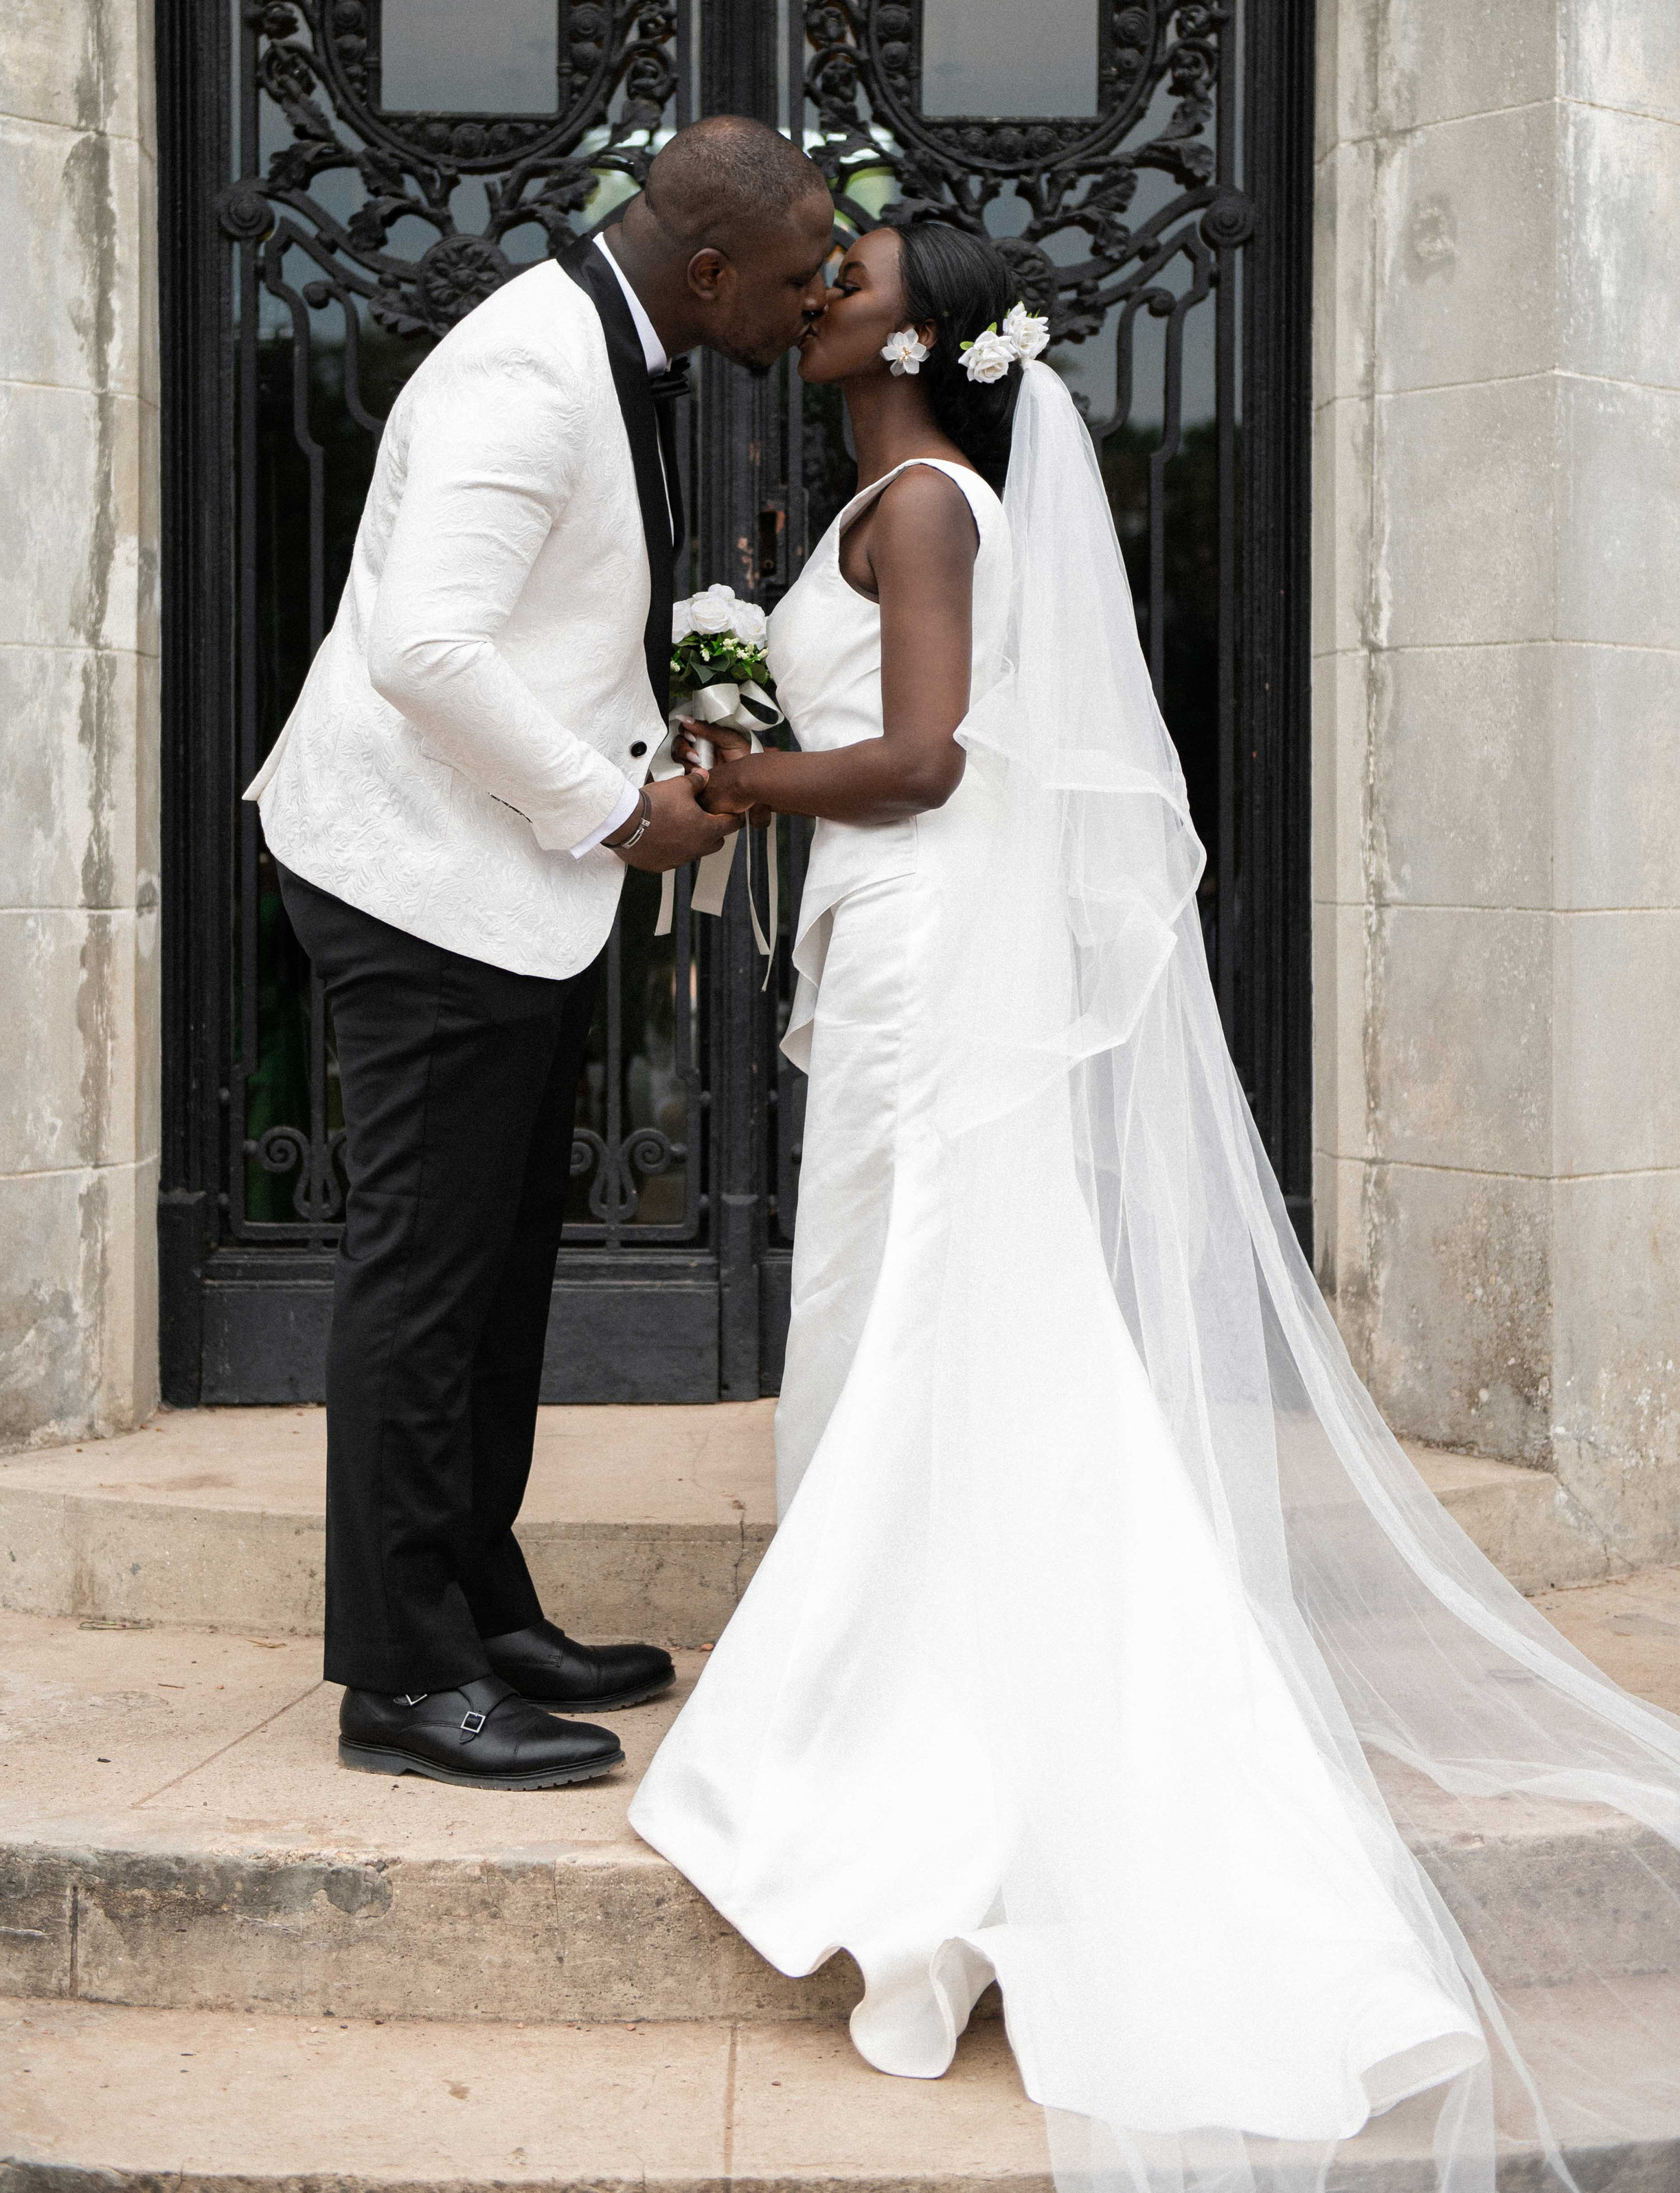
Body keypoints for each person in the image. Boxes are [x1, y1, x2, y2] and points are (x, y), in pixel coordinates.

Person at [631, 219, 1680, 2190]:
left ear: (920, 330)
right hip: (909, 961)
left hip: (933, 964)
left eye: (849, 272)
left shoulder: (924, 508)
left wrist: (745, 789)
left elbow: (933, 761)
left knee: (915, 1313)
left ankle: (891, 1741)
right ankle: (911, 1671)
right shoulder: (907, 497)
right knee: (921, 1323)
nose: (818, 293)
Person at [245, 116, 835, 1790]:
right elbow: (423, 645)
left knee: (495, 1275)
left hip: (492, 876)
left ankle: (478, 1601)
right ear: (707, 270)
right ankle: (401, 1679)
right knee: (423, 1283)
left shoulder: (610, 339)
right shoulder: (528, 372)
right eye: (793, 281)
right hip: (420, 878)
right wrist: (612, 807)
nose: (812, 306)